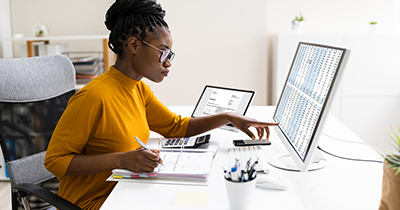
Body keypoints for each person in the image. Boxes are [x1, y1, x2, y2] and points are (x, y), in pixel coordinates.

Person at [44, 0, 278, 209]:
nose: (168, 63)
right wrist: (121, 159)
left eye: (170, 55)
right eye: (164, 53)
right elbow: (55, 161)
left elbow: (176, 127)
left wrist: (228, 116)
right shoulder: (93, 97)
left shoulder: (138, 88)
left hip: (126, 190)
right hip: (94, 202)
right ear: (134, 45)